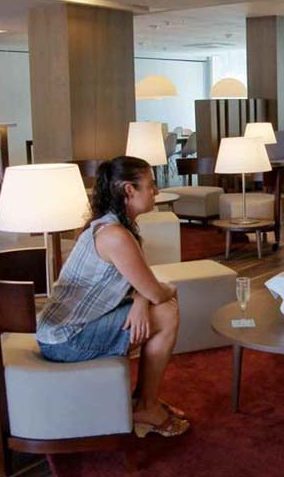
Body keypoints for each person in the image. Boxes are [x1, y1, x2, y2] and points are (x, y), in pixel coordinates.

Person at [36, 156, 189, 438]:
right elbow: (156, 291)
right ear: (129, 190)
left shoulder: (111, 225)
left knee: (159, 306)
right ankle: (146, 407)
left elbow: (138, 282)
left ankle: (143, 400)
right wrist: (166, 290)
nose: (156, 191)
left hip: (64, 329)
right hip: (65, 340)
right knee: (167, 310)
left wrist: (141, 301)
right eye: (150, 185)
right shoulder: (115, 235)